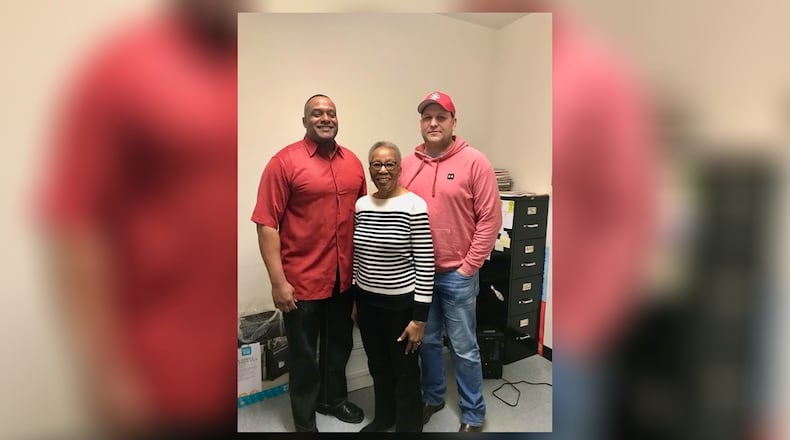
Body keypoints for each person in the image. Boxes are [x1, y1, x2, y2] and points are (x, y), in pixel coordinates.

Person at [37, 1, 249, 437]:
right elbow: (74, 223)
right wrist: (106, 372)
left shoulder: (245, 64)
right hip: (159, 380)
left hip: (231, 366)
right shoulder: (123, 69)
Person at [251, 94, 366, 432]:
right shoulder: (284, 162)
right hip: (301, 281)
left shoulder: (353, 163)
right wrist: (278, 282)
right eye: (317, 113)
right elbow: (266, 223)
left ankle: (332, 400)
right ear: (305, 121)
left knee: (339, 346)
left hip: (343, 278)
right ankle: (304, 420)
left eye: (331, 113)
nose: (325, 118)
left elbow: (363, 218)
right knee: (303, 355)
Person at [400, 91, 503, 432]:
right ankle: (433, 398)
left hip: (458, 275)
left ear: (453, 122)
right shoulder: (408, 164)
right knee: (427, 343)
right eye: (427, 117)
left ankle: (473, 415)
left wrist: (468, 267)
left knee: (463, 348)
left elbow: (490, 219)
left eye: (440, 117)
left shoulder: (476, 162)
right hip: (420, 276)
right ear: (420, 123)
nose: (433, 123)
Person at [352, 141, 435, 432]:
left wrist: (420, 318)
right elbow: (357, 256)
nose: (383, 170)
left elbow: (425, 263)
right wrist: (354, 300)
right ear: (370, 169)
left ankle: (409, 426)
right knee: (378, 366)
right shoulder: (362, 204)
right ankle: (384, 418)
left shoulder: (414, 205)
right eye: (376, 164)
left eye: (389, 164)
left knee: (405, 371)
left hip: (401, 306)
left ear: (400, 168)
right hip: (367, 302)